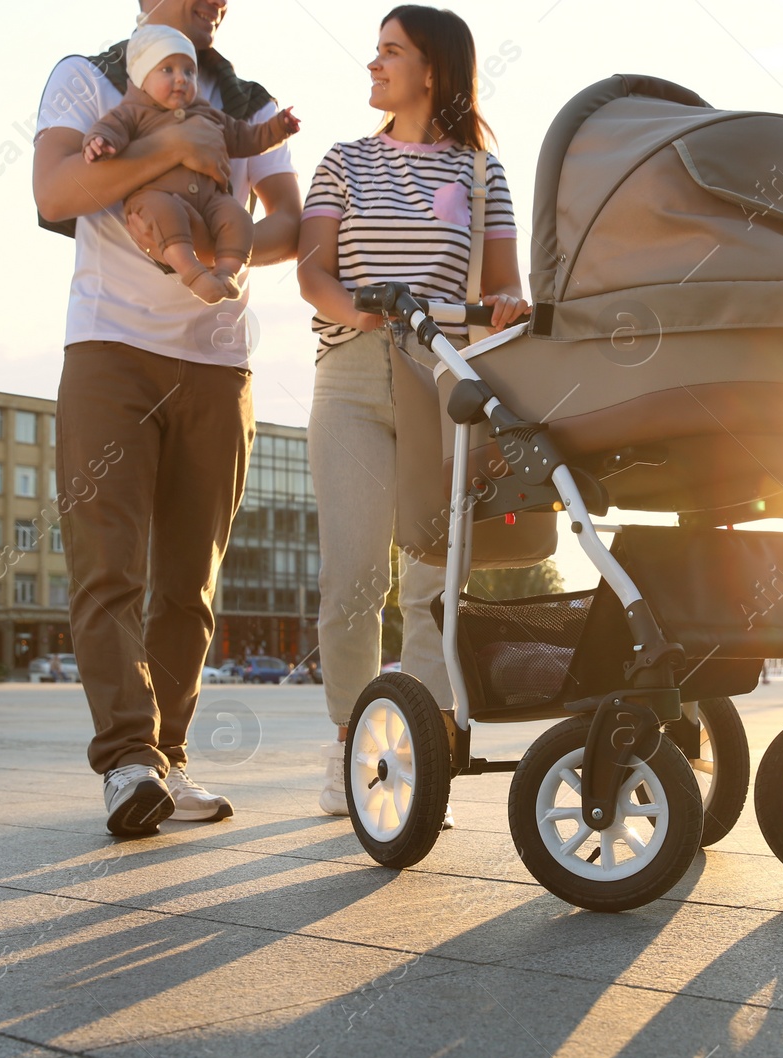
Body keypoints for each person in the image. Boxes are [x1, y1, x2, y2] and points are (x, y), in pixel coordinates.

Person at [32, 0, 300, 837]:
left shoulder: (247, 100)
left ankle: (167, 758)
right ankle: (126, 759)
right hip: (111, 348)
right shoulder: (87, 78)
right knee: (108, 565)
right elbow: (55, 189)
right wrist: (167, 151)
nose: (214, 3)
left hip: (218, 361)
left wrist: (218, 241)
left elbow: (289, 220)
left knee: (190, 583)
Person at [296, 5, 530, 818]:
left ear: (431, 70)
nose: (373, 64)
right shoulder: (344, 160)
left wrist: (504, 309)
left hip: (444, 376)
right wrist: (361, 312)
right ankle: (347, 745)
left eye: (389, 52)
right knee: (355, 575)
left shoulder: (479, 173)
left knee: (433, 577)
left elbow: (505, 286)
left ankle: (418, 751)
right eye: (375, 51)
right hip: (353, 374)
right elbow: (312, 272)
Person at [84, 24, 300, 303]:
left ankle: (226, 273)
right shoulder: (133, 113)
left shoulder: (207, 113)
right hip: (154, 195)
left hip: (211, 198)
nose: (181, 79)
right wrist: (100, 143)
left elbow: (245, 137)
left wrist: (278, 128)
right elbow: (111, 129)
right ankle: (195, 275)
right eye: (167, 70)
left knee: (239, 218)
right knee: (166, 214)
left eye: (189, 72)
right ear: (142, 78)